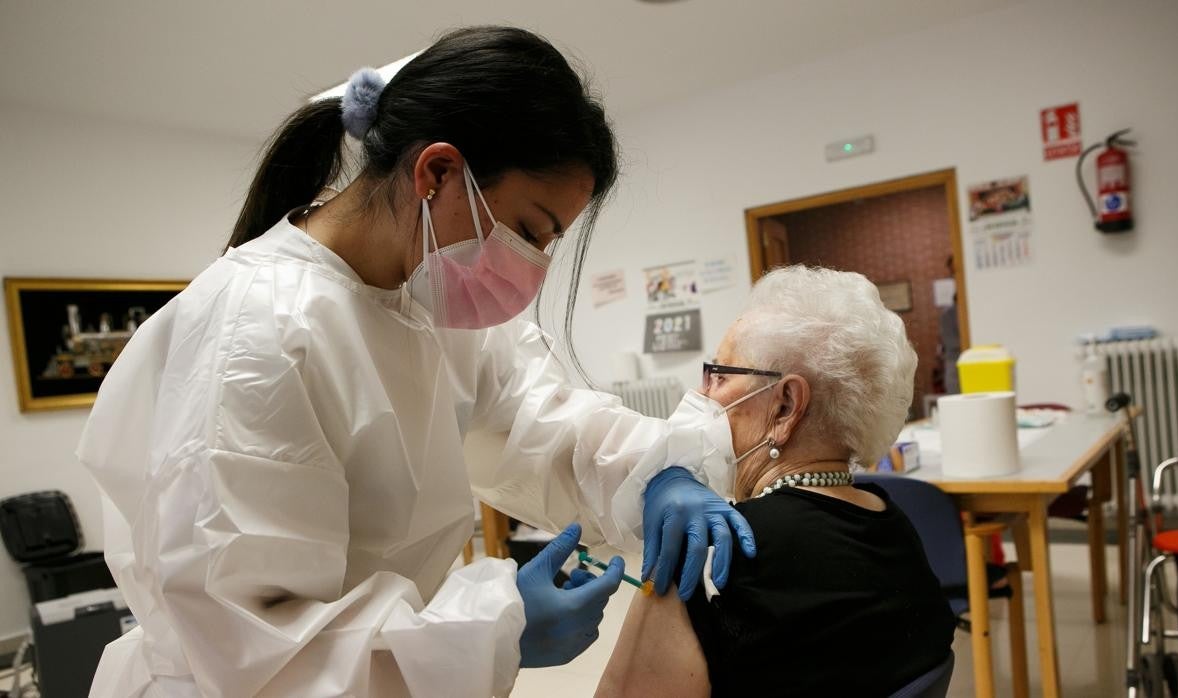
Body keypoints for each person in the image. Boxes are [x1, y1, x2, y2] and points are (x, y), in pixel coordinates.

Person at [78, 26, 753, 697]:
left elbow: (539, 422)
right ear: (437, 172)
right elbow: (254, 651)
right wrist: (489, 635)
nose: (532, 269)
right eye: (528, 231)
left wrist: (658, 473)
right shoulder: (259, 333)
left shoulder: (427, 300)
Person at [595, 266, 956, 698]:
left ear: (785, 406)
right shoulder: (892, 522)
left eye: (720, 375)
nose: (702, 394)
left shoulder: (712, 550)